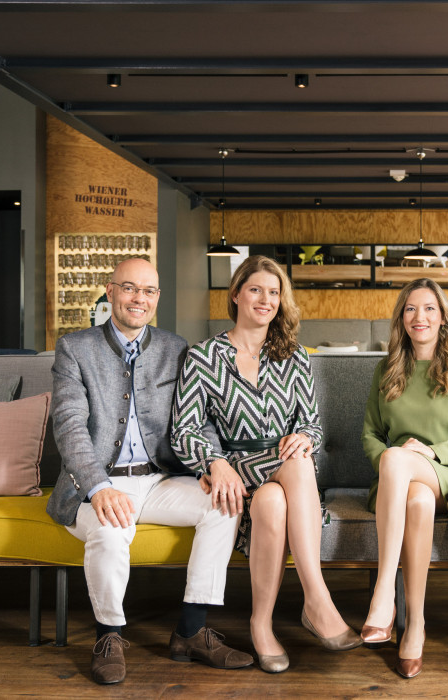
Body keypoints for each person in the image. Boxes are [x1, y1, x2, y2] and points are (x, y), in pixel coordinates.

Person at [47, 257, 251, 686]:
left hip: (158, 479)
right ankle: (108, 636)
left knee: (225, 503)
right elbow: (68, 426)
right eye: (129, 288)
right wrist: (100, 487)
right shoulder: (74, 348)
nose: (139, 298)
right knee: (108, 530)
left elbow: (199, 419)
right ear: (110, 290)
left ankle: (191, 632)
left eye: (149, 291)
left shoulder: (176, 349)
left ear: (157, 298)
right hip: (93, 486)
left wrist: (211, 463)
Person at [171, 255, 361, 674]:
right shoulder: (203, 357)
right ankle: (316, 598)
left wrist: (304, 437)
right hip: (235, 472)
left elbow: (312, 423)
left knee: (275, 500)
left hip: (285, 475)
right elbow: (184, 431)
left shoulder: (293, 356)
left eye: (274, 293)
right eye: (256, 289)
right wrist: (214, 461)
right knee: (293, 468)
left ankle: (261, 625)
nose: (266, 299)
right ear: (236, 294)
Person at [360, 277, 448, 678]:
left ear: (442, 317)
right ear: (402, 318)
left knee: (401, 463)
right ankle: (414, 622)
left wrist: (432, 452)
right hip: (395, 484)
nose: (420, 317)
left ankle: (384, 593)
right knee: (413, 497)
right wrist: (391, 462)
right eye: (412, 309)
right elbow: (369, 433)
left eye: (430, 308)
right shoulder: (387, 369)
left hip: (444, 474)